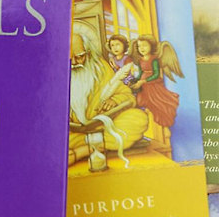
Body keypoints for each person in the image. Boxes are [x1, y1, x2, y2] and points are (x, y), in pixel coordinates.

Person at [68, 24, 148, 167]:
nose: (74, 63)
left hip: (104, 126)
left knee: (138, 119)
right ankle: (94, 145)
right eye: (69, 59)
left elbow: (127, 95)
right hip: (74, 132)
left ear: (88, 52)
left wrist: (114, 100)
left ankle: (85, 148)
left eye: (79, 57)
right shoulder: (56, 73)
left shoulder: (101, 67)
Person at [129, 34, 182, 128]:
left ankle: (158, 126)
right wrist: (135, 80)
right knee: (140, 102)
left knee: (156, 104)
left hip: (152, 84)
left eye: (144, 45)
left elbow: (156, 74)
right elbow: (140, 73)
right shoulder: (140, 60)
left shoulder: (154, 60)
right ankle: (145, 124)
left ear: (151, 46)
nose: (142, 48)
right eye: (139, 46)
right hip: (143, 85)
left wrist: (143, 81)